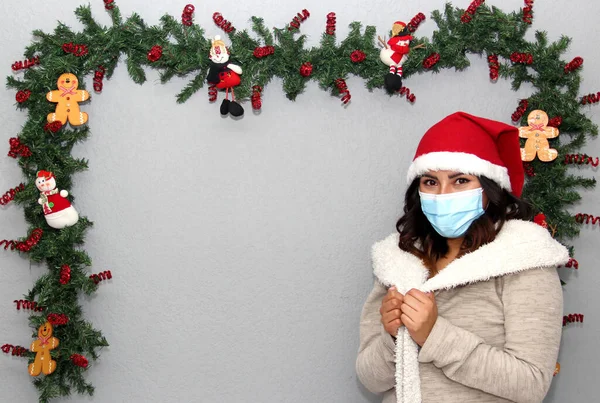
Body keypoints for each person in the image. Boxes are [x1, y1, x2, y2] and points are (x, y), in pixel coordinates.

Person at [356, 112, 568, 403]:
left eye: (460, 181)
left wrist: (434, 335)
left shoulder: (523, 260)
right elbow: (370, 380)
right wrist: (392, 338)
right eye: (430, 182)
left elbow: (531, 384)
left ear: (488, 189)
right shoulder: (397, 261)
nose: (443, 194)